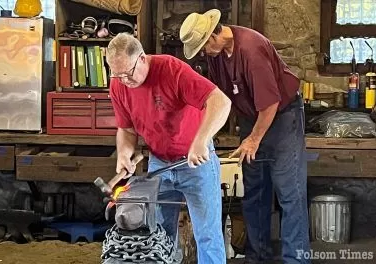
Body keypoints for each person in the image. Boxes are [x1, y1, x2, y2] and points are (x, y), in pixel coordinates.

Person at [180, 9, 311, 264]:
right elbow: (220, 99)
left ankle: (296, 260)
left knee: (289, 193)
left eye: (203, 47)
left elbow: (270, 104)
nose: (203, 54)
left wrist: (253, 139)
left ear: (213, 36)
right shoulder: (217, 56)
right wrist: (203, 134)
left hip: (282, 116)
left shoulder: (252, 49)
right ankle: (256, 257)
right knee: (254, 192)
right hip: (252, 118)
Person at [106, 32, 231, 263]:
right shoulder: (119, 84)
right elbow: (127, 129)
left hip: (195, 161)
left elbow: (221, 101)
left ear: (142, 58)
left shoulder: (173, 70)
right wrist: (124, 153)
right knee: (158, 234)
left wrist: (201, 140)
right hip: (159, 163)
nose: (124, 81)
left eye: (128, 74)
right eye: (117, 75)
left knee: (207, 235)